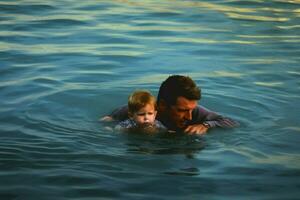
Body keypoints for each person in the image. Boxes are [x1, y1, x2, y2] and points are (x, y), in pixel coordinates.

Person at [101, 75, 238, 135]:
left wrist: (206, 125)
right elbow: (110, 118)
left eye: (191, 109)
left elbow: (230, 122)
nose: (189, 116)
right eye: (182, 110)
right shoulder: (143, 111)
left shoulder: (195, 113)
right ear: (162, 105)